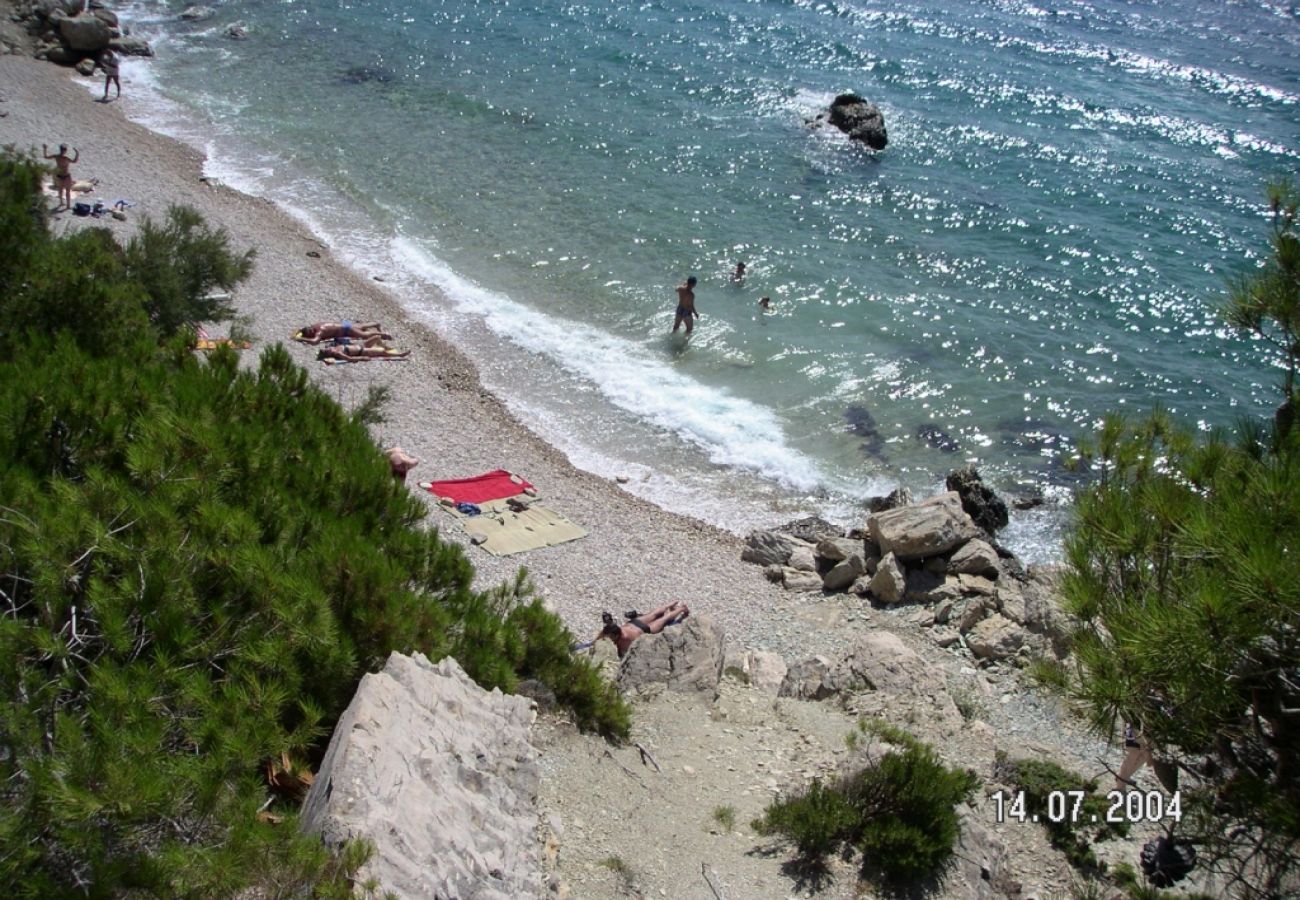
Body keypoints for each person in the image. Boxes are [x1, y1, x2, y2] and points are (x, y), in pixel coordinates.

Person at [591, 601, 690, 657]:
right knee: (654, 614)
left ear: (615, 635)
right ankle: (672, 602)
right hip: (634, 623)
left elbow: (625, 652)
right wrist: (594, 642)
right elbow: (601, 635)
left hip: (645, 629)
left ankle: (681, 609)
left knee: (665, 618)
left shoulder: (624, 638)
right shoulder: (611, 629)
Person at [42, 143, 79, 210]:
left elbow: (46, 157)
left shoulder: (56, 157)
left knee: (60, 190)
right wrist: (77, 153)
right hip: (66, 176)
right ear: (65, 151)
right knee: (67, 191)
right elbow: (75, 161)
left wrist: (45, 149)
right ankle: (68, 205)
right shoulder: (66, 158)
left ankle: (61, 202)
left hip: (59, 176)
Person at [296, 321, 391, 343]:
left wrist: (301, 338)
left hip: (346, 330)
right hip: (342, 324)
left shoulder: (320, 331)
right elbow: (301, 330)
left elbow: (315, 341)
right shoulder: (315, 325)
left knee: (364, 335)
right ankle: (375, 324)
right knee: (361, 327)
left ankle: (382, 334)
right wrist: (300, 332)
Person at [316, 344, 410, 362]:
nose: (327, 349)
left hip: (362, 346)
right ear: (328, 354)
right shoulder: (338, 353)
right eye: (326, 351)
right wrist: (362, 358)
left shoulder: (333, 347)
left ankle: (391, 348)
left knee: (375, 337)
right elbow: (350, 359)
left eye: (325, 349)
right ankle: (400, 355)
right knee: (382, 352)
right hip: (363, 351)